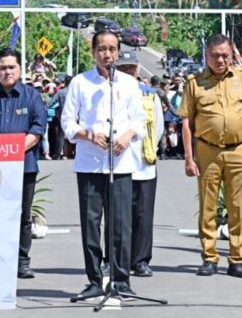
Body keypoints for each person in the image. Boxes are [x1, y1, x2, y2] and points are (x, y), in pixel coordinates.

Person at [62, 30, 146, 299]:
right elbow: (67, 122)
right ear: (93, 52)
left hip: (120, 164)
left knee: (120, 224)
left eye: (111, 49)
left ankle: (121, 280)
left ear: (118, 52)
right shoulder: (80, 83)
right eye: (101, 49)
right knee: (90, 224)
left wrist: (127, 136)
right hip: (89, 163)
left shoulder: (129, 84)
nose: (107, 54)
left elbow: (139, 121)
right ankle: (94, 279)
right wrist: (88, 134)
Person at [179, 33, 242, 279]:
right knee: (208, 206)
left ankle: (237, 259)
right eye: (215, 56)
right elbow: (186, 122)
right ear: (207, 55)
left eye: (225, 55)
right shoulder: (195, 82)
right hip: (207, 150)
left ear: (231, 55)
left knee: (238, 207)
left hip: (239, 150)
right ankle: (210, 257)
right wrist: (189, 158)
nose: (220, 60)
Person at [0, 48, 48, 279]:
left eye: (12, 67)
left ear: (20, 69)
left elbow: (37, 128)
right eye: (3, 67)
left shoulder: (31, 96)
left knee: (23, 215)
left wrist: (13, 151)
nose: (7, 71)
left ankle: (22, 261)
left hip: (25, 166)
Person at [115, 50, 164, 277]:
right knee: (118, 214)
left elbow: (158, 127)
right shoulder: (110, 91)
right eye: (122, 68)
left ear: (136, 69)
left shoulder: (149, 95)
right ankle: (115, 259)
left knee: (143, 215)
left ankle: (141, 260)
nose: (127, 72)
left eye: (130, 68)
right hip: (117, 161)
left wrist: (148, 148)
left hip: (144, 162)